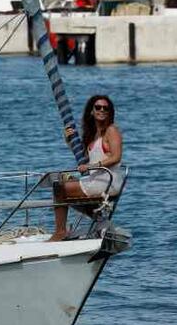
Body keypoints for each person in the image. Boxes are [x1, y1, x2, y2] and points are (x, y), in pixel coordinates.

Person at [50, 95, 125, 242]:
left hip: (107, 181)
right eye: (98, 107)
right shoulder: (94, 134)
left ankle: (60, 232)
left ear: (110, 112)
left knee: (59, 189)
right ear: (91, 111)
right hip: (96, 179)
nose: (102, 110)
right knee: (63, 181)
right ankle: (100, 220)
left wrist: (92, 166)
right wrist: (69, 141)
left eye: (106, 108)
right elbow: (84, 160)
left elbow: (116, 157)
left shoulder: (112, 130)